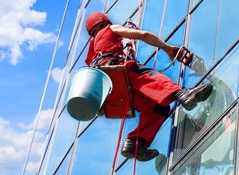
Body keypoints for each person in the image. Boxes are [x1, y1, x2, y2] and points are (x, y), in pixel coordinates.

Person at [84, 12, 213, 161]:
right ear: (104, 21)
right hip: (116, 71)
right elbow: (143, 35)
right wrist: (167, 48)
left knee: (158, 108)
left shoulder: (93, 47)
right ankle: (183, 94)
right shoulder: (111, 29)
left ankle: (136, 143)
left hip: (110, 90)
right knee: (149, 76)